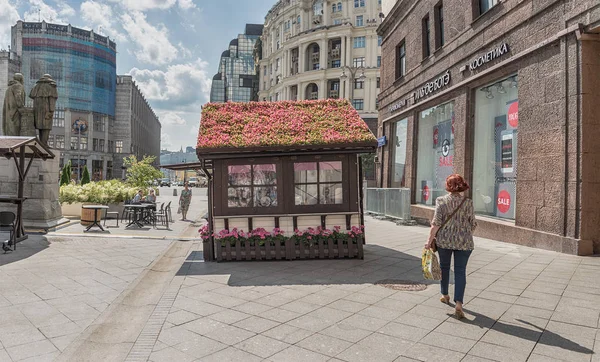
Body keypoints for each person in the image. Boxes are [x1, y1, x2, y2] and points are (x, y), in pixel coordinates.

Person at [426, 174, 477, 320]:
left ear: (447, 185)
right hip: (464, 243)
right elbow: (473, 223)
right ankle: (459, 304)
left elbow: (436, 223)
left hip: (444, 242)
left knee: (445, 268)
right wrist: (465, 234)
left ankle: (445, 294)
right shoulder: (468, 202)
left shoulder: (441, 201)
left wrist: (429, 241)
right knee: (461, 272)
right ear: (462, 185)